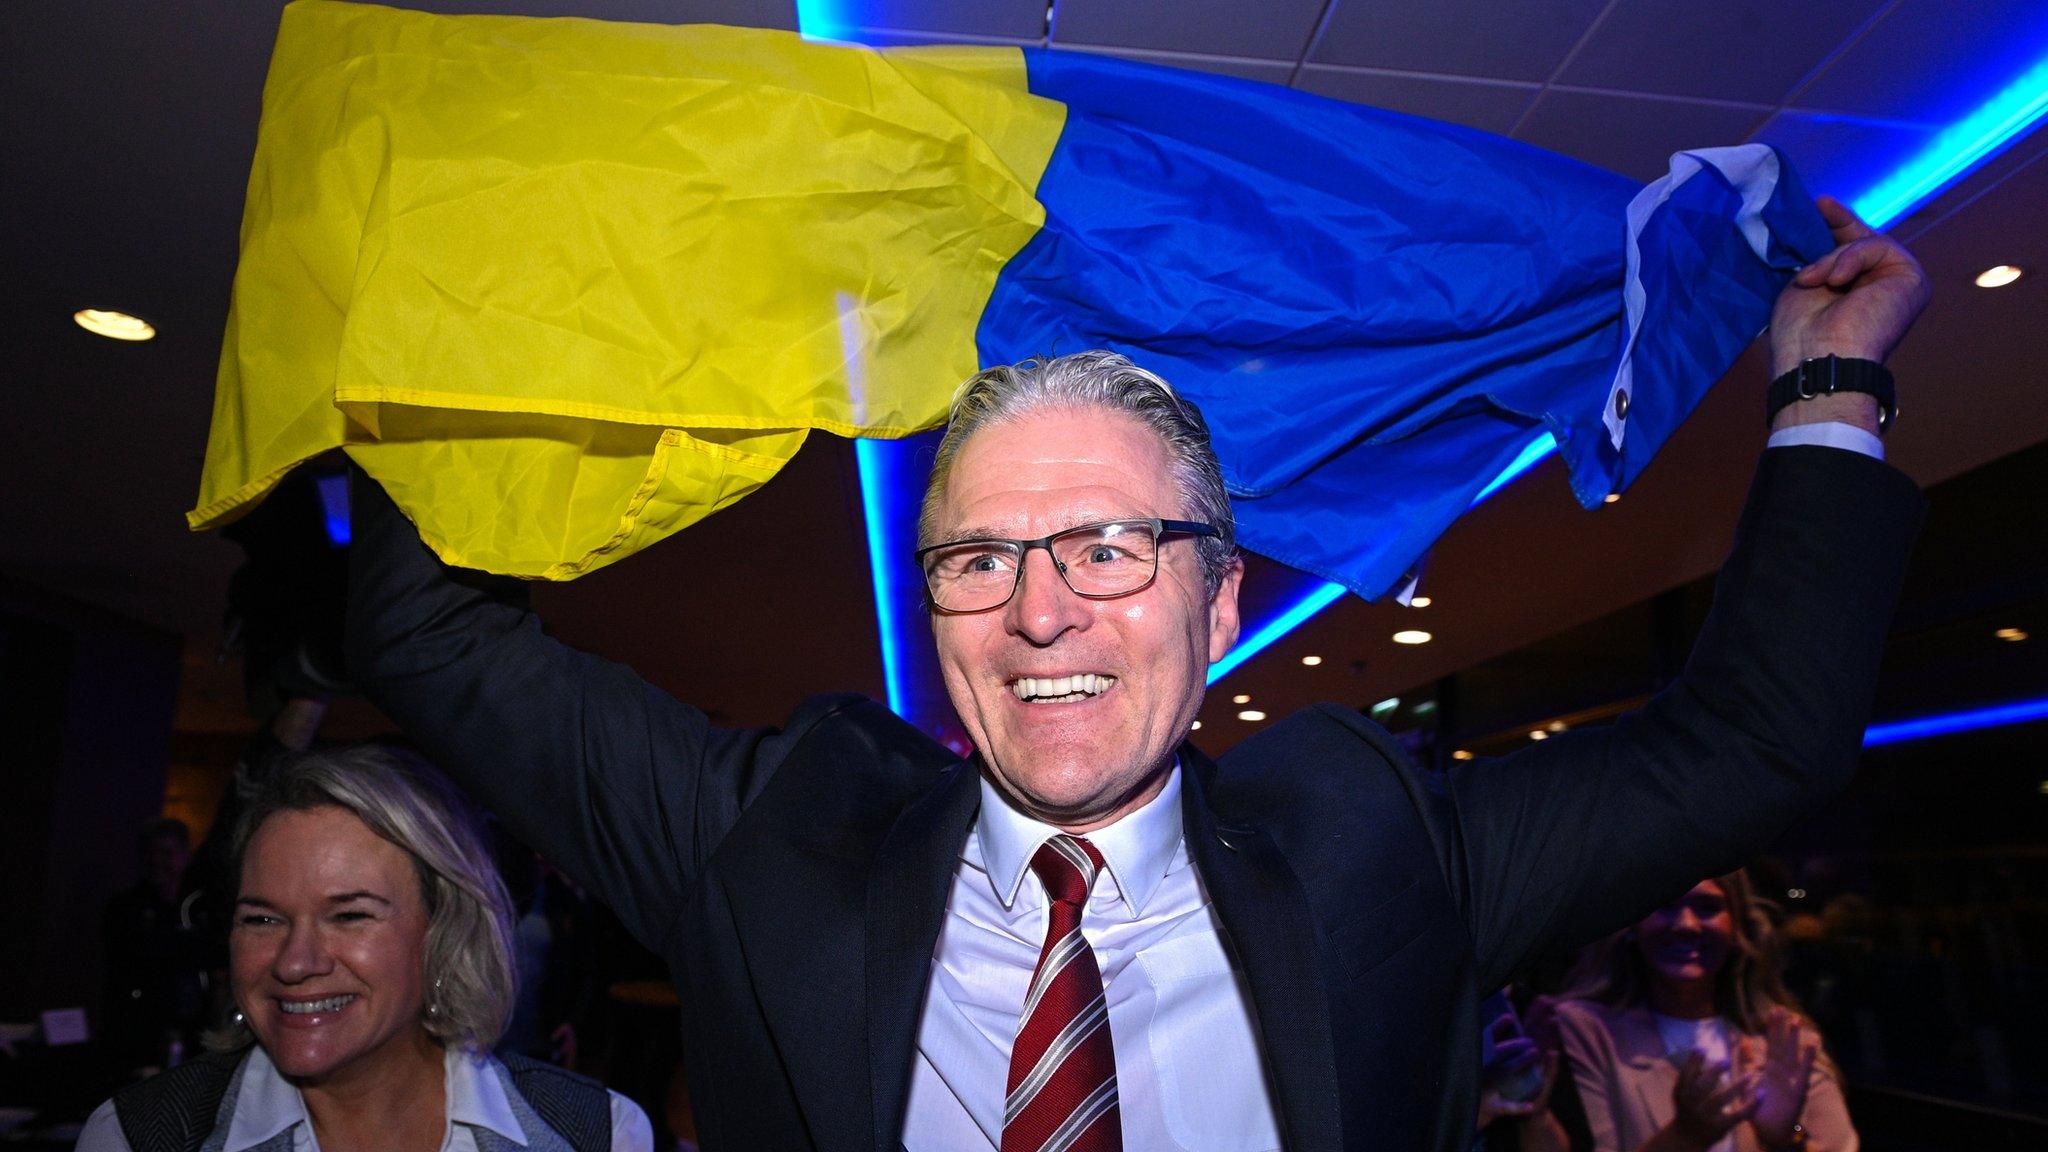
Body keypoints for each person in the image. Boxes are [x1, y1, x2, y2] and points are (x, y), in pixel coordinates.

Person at [343, 197, 1928, 1151]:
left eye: (1107, 546)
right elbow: (430, 635)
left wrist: (1831, 386)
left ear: (1218, 592)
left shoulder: (1380, 852)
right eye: (979, 558)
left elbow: (1754, 741)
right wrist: (516, 303)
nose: (1040, 612)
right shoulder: (770, 832)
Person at [76, 746, 652, 1152]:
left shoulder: (595, 1133)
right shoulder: (142, 1135)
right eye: (262, 918)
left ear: (445, 933)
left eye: (350, 915)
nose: (295, 962)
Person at [1539, 871, 1855, 1152]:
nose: (1686, 925)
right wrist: (1686, 1136)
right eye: (1664, 905)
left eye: (1707, 907)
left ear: (1736, 927)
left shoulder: (1782, 1039)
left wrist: (1787, 1137)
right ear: (1632, 924)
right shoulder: (1586, 1030)